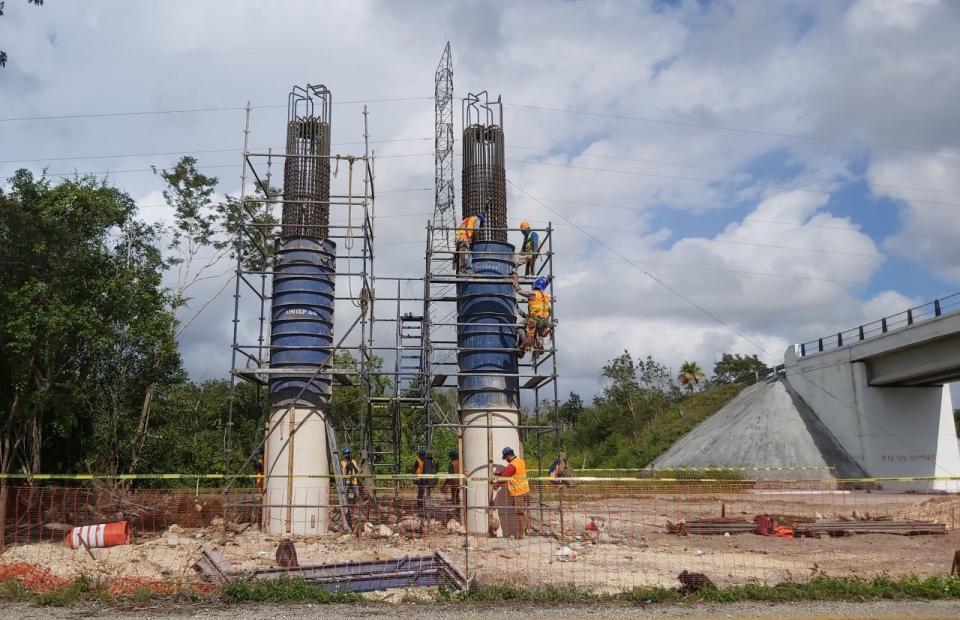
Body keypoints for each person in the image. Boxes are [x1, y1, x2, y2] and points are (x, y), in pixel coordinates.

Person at [513, 272, 553, 356]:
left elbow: (518, 290)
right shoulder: (546, 296)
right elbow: (541, 288)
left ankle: (525, 344)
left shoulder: (533, 294)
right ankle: (538, 345)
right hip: (545, 322)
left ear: (535, 286)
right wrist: (548, 280)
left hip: (535, 320)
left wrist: (515, 279)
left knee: (519, 327)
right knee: (532, 331)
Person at [494, 446, 530, 539]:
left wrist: (496, 484)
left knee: (519, 514)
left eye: (505, 458)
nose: (506, 460)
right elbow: (509, 471)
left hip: (518, 493)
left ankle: (519, 536)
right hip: (526, 491)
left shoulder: (512, 465)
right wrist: (500, 473)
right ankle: (526, 531)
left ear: (508, 456)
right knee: (524, 512)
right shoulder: (520, 461)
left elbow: (505, 477)